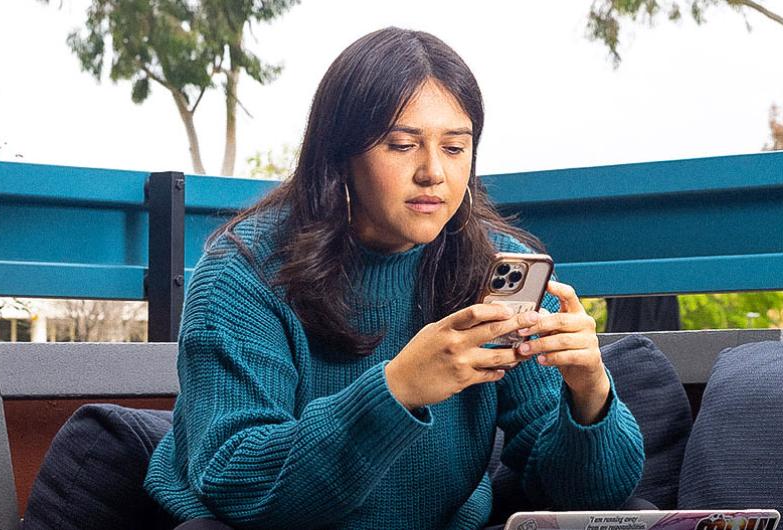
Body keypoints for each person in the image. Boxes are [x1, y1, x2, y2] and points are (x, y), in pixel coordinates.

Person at [141, 27, 645, 529]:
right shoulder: (242, 273)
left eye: (454, 148)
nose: (433, 173)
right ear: (340, 157)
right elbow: (238, 483)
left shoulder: (496, 268)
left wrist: (589, 394)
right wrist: (398, 389)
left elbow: (584, 497)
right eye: (403, 145)